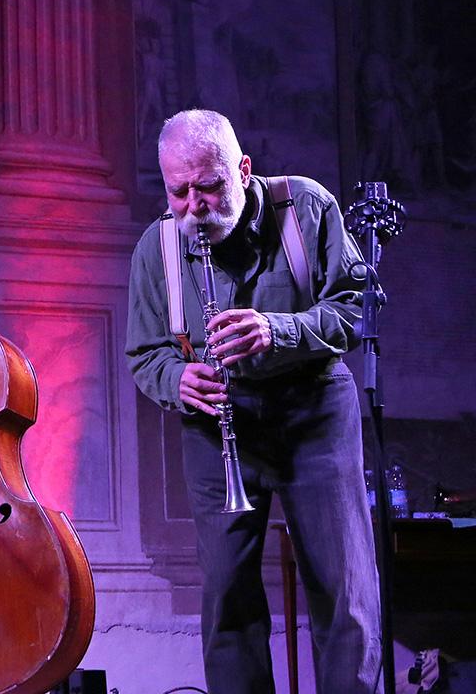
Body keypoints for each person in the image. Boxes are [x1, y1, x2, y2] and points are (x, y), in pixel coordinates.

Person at [125, 110, 381, 693]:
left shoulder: (306, 208)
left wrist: (278, 330)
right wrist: (177, 381)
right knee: (227, 597)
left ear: (242, 169)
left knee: (345, 593)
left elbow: (354, 309)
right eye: (178, 191)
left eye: (209, 186)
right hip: (218, 429)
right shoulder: (156, 246)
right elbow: (145, 354)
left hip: (313, 412)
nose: (194, 206)